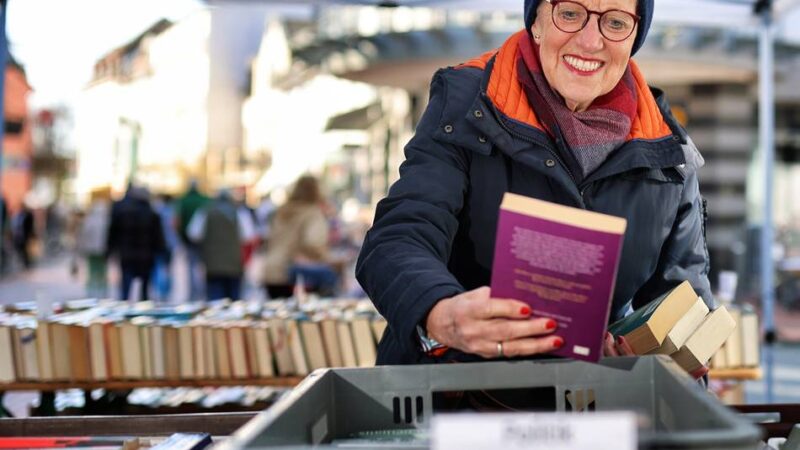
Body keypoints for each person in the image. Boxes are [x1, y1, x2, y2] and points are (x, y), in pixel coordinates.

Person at [356, 0, 713, 369]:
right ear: (536, 23)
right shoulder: (466, 103)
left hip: (591, 396)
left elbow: (686, 304)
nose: (591, 41)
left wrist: (654, 367)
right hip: (452, 388)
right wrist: (440, 313)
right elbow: (398, 237)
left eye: (616, 22)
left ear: (635, 37)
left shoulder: (669, 149)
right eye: (570, 13)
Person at [261, 175, 338, 298]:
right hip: (295, 275)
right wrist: (328, 259)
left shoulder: (281, 211)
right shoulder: (312, 213)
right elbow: (312, 243)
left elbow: (269, 239)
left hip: (272, 271)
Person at [187, 189, 256, 301]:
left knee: (215, 300)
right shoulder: (239, 212)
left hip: (212, 262)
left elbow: (193, 234)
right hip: (234, 262)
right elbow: (248, 236)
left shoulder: (205, 211)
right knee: (234, 300)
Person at [106, 185, 166, 301]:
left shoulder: (123, 212)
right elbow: (158, 238)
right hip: (146, 256)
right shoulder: (152, 214)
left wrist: (110, 250)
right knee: (145, 290)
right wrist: (161, 252)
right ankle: (144, 307)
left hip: (127, 255)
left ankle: (124, 307)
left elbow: (113, 233)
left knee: (125, 289)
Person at [175, 180, 210, 301]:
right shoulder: (205, 200)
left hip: (188, 238)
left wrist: (180, 237)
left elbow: (177, 221)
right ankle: (202, 291)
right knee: (203, 266)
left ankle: (192, 293)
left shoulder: (184, 200)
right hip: (205, 239)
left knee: (191, 265)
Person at [76, 189, 111, 297]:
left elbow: (85, 234)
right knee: (102, 270)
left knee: (92, 270)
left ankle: (91, 290)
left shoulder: (90, 219)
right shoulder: (107, 220)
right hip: (103, 249)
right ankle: (102, 290)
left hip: (91, 249)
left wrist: (82, 247)